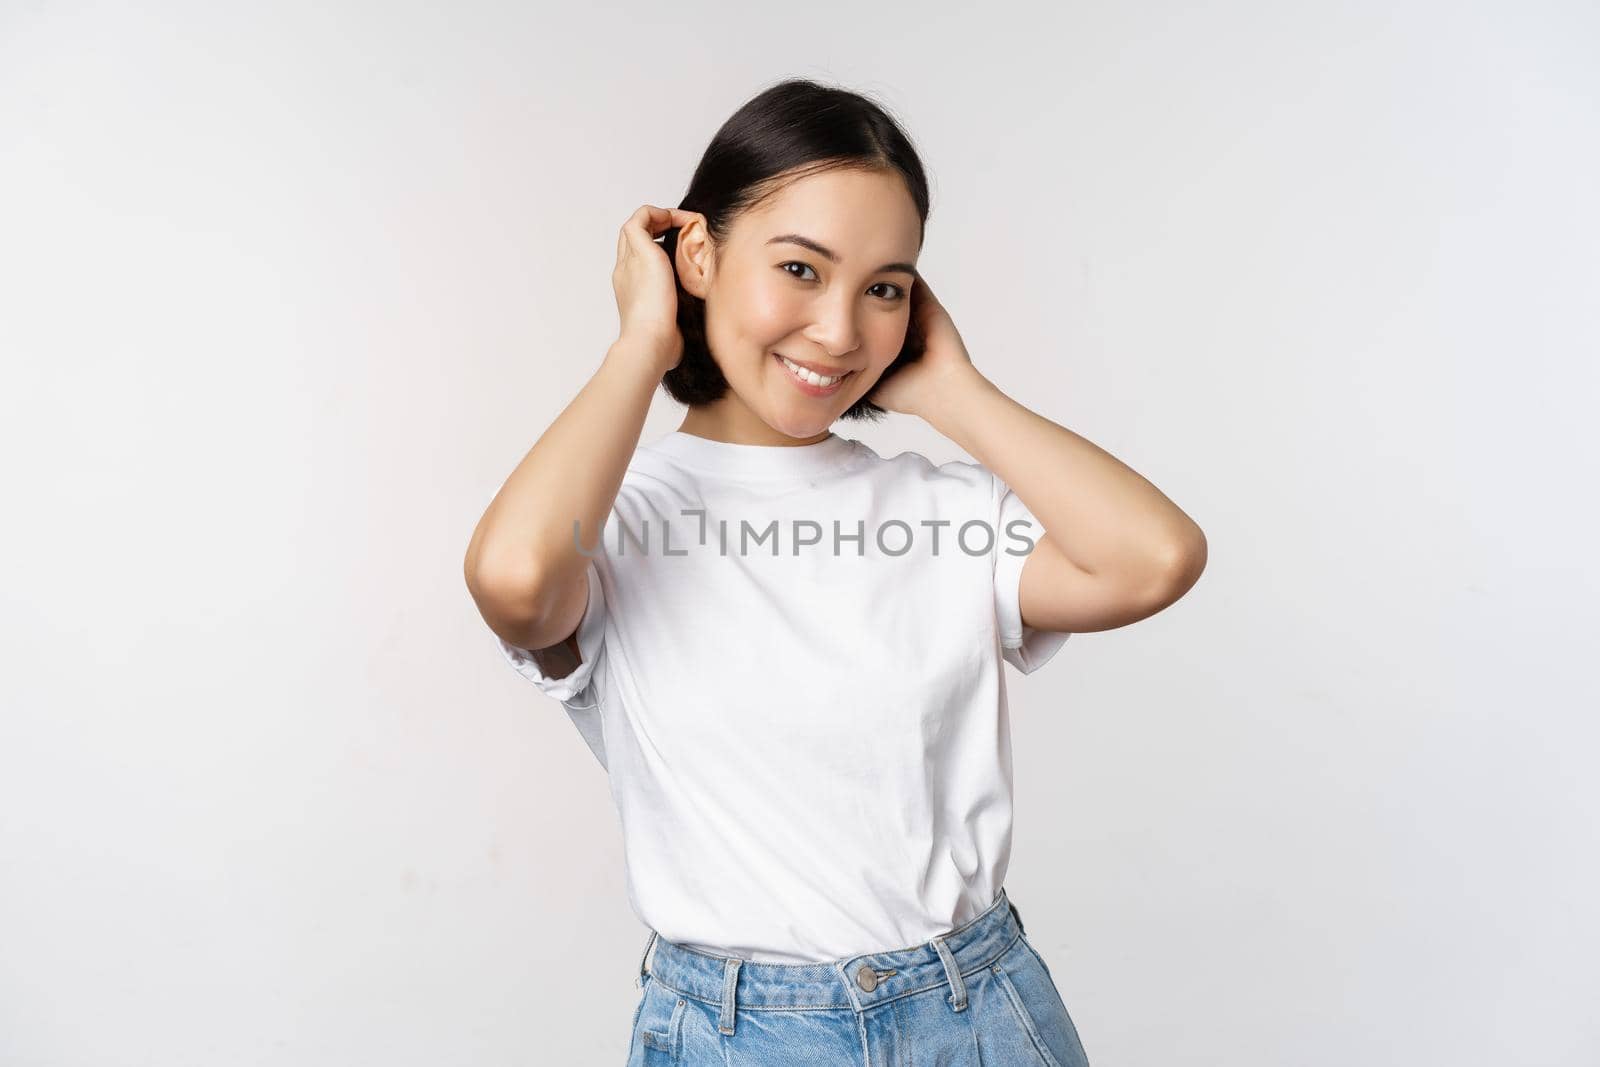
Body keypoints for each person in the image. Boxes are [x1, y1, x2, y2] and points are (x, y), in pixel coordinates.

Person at [464, 78, 1206, 1066]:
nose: (842, 329)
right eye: (801, 269)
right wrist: (644, 338)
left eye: (884, 286)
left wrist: (956, 391)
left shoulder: (943, 510)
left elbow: (1155, 558)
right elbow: (515, 583)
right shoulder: (615, 517)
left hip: (978, 1014)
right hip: (737, 1034)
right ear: (697, 253)